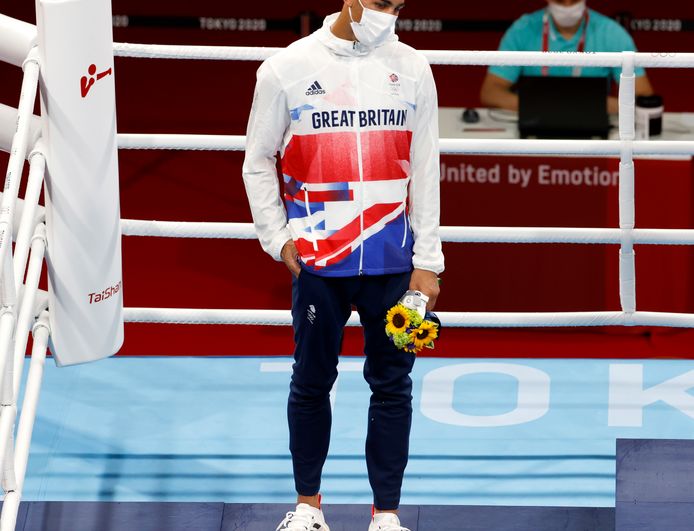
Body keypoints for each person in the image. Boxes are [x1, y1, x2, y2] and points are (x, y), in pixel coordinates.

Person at [242, 0, 444, 529]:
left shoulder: (414, 69)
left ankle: (387, 515)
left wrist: (429, 261)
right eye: (381, 4)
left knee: (393, 386)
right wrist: (278, 239)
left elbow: (425, 170)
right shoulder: (285, 69)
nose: (389, 14)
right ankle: (308, 508)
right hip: (318, 263)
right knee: (311, 382)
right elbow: (258, 160)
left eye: (398, 5)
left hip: (393, 261)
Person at [480, 0, 654, 114]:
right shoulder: (523, 29)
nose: (568, 6)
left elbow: (643, 96)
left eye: (574, 0)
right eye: (560, 1)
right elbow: (491, 92)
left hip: (593, 129)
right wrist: (547, 107)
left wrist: (594, 106)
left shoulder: (612, 32)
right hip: (536, 126)